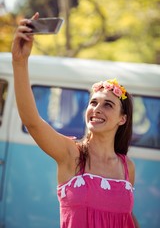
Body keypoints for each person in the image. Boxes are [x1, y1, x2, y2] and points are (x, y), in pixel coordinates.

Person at [11, 12, 140, 228]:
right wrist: (20, 62)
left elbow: (126, 216)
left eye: (108, 105)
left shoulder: (127, 167)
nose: (97, 109)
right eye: (93, 103)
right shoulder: (71, 154)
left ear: (122, 119)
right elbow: (32, 121)